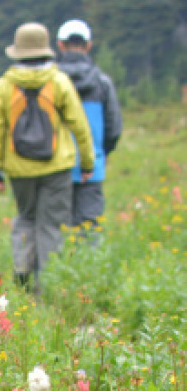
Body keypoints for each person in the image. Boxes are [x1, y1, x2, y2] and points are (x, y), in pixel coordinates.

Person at [0, 22, 95, 292]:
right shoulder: (58, 81)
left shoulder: (4, 85)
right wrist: (88, 162)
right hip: (56, 166)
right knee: (52, 224)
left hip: (18, 168)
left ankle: (22, 268)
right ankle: (47, 286)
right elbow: (79, 124)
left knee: (26, 217)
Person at [57, 19, 123, 242]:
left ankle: (58, 273)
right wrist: (101, 153)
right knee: (90, 226)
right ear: (88, 45)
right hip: (93, 165)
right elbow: (113, 128)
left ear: (60, 45)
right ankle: (90, 274)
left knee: (58, 227)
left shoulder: (51, 83)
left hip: (55, 164)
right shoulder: (102, 83)